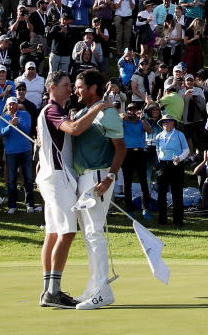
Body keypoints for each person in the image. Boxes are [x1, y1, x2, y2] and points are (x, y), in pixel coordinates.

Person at [37, 71, 116, 309]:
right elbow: (74, 129)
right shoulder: (52, 110)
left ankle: (48, 290)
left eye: (72, 85)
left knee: (52, 233)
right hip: (59, 178)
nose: (70, 89)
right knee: (67, 232)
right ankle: (53, 291)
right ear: (52, 88)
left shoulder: (55, 111)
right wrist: (99, 107)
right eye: (65, 86)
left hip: (54, 177)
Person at [71, 67, 128, 310]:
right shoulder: (84, 112)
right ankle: (94, 287)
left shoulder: (107, 113)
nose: (76, 91)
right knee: (88, 235)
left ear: (93, 88)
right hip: (83, 177)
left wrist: (110, 177)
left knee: (94, 232)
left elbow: (121, 148)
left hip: (99, 177)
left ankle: (103, 290)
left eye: (80, 87)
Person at [0, 96, 35, 214]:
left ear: (17, 105)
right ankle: (12, 205)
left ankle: (29, 204)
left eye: (14, 104)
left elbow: (27, 129)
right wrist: (10, 125)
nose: (12, 106)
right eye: (10, 104)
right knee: (12, 180)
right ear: (7, 106)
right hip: (11, 152)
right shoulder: (3, 118)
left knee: (28, 179)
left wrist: (18, 123)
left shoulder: (25, 115)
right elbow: (2, 133)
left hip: (25, 151)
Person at [153, 113, 190, 227]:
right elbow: (158, 149)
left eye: (168, 121)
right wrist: (160, 160)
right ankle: (162, 219)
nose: (166, 123)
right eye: (164, 122)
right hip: (163, 165)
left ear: (173, 123)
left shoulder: (179, 135)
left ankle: (178, 220)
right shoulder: (159, 136)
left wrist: (180, 158)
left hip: (176, 165)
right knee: (161, 193)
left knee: (177, 193)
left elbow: (186, 150)